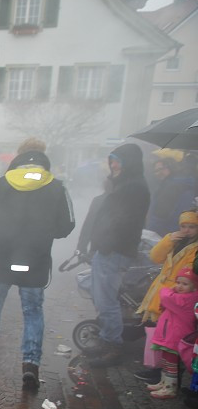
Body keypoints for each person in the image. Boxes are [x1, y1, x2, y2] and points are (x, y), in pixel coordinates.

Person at [0, 149, 74, 389]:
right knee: (33, 310)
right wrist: (46, 231)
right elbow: (67, 224)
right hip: (35, 258)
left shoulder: (2, 183)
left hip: (2, 256)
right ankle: (30, 364)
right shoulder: (57, 187)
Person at [79, 144, 151, 367]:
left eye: (118, 160)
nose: (113, 165)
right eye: (112, 160)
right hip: (109, 249)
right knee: (103, 298)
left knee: (107, 300)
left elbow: (125, 222)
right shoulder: (124, 184)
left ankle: (112, 345)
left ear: (129, 162)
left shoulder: (134, 187)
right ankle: (106, 340)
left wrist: (106, 245)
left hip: (114, 251)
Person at [134, 209, 198, 387]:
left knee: (171, 336)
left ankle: (166, 374)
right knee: (158, 332)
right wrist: (169, 240)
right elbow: (155, 256)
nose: (186, 230)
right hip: (163, 293)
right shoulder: (177, 241)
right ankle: (158, 371)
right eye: (183, 226)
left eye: (192, 226)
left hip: (178, 297)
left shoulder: (195, 249)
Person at [147, 267, 198, 399]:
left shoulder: (187, 299)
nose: (180, 286)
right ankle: (164, 383)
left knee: (171, 362)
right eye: (178, 282)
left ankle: (170, 388)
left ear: (194, 286)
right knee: (166, 360)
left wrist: (170, 289)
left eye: (185, 284)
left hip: (176, 337)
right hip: (169, 336)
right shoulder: (182, 296)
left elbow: (164, 295)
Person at [145, 154, 196, 238]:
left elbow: (160, 214)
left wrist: (151, 231)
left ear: (171, 167)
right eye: (156, 171)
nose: (158, 173)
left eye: (161, 169)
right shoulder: (183, 183)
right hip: (177, 232)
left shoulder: (172, 187)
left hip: (164, 234)